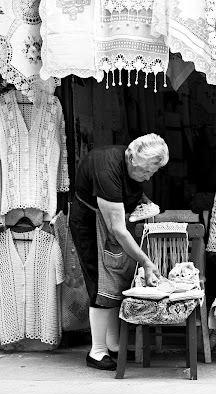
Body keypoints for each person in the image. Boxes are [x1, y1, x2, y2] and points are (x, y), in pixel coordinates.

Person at [69, 133, 169, 370]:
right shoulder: (106, 170)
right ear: (132, 159)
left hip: (113, 226)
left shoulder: (133, 162)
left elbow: (130, 199)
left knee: (116, 282)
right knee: (101, 283)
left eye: (152, 173)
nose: (147, 176)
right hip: (90, 225)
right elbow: (118, 230)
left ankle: (113, 345)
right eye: (145, 172)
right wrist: (146, 262)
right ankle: (97, 351)